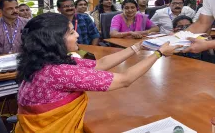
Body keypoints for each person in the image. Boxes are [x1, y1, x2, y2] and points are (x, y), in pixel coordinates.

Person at [15, 13, 180, 132]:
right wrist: (158, 53)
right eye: (71, 32)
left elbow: (100, 64)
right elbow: (125, 80)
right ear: (55, 40)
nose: (78, 34)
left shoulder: (44, 62)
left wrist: (138, 46)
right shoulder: (59, 72)